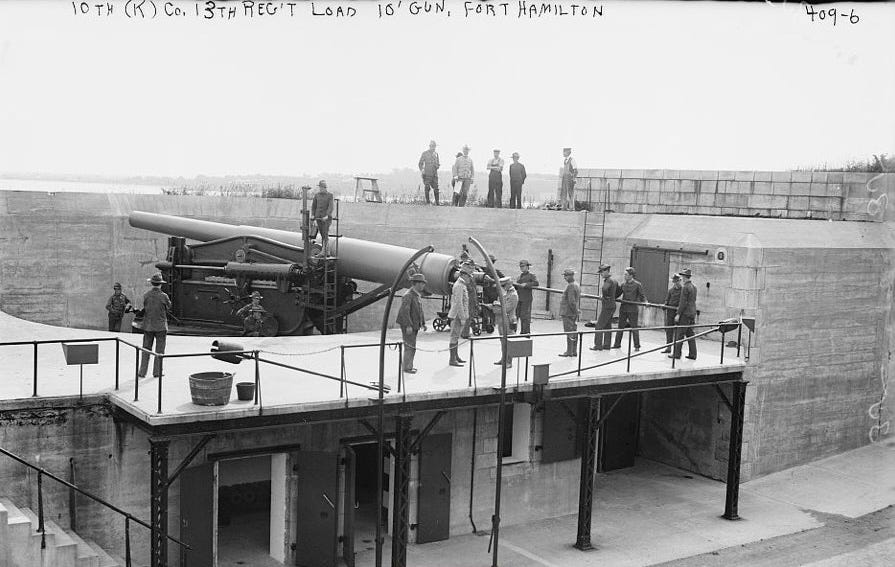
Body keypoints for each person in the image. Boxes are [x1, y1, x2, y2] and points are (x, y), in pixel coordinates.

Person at [138, 272, 171, 379]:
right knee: (159, 351)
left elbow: (145, 307)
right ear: (160, 284)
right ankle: (157, 372)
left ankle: (142, 372)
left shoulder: (146, 295)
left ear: (152, 283)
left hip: (148, 326)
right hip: (161, 326)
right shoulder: (164, 296)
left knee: (146, 349)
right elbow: (169, 307)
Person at [397, 273, 427, 373]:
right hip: (409, 325)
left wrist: (422, 323)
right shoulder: (408, 295)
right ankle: (407, 367)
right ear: (416, 284)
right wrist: (408, 325)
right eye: (422, 283)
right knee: (409, 346)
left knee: (412, 346)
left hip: (414, 325)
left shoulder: (416, 295)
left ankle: (409, 366)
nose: (423, 285)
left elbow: (419, 310)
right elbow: (404, 312)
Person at [613, 267, 645, 351]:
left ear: (631, 275)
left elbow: (642, 296)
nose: (625, 276)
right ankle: (617, 344)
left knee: (634, 328)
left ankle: (637, 346)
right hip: (623, 308)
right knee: (620, 327)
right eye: (624, 274)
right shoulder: (623, 284)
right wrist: (608, 297)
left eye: (626, 275)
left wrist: (646, 302)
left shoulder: (638, 285)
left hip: (633, 310)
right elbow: (617, 294)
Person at [448, 262, 474, 367]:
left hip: (459, 315)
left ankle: (456, 356)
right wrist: (463, 317)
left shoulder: (461, 284)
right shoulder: (459, 285)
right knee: (454, 337)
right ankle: (452, 359)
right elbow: (459, 303)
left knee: (456, 336)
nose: (469, 278)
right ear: (463, 275)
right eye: (468, 276)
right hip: (457, 315)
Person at [589, 264, 619, 351]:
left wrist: (604, 297)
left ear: (607, 271)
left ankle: (598, 345)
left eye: (602, 272)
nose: (601, 274)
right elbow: (619, 291)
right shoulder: (614, 281)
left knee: (599, 325)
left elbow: (605, 289)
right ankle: (606, 345)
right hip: (612, 305)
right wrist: (612, 297)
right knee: (607, 325)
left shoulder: (608, 281)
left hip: (607, 306)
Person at [671, 268, 698, 360]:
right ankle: (693, 354)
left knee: (679, 334)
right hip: (692, 313)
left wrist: (678, 314)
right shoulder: (694, 286)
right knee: (690, 334)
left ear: (684, 277)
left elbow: (683, 302)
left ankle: (676, 354)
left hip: (685, 314)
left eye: (682, 276)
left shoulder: (685, 287)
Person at [493, 277, 519, 367]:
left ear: (509, 284)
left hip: (509, 320)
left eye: (504, 286)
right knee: (502, 341)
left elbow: (507, 308)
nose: (503, 288)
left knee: (508, 342)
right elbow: (499, 303)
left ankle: (509, 361)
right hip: (502, 321)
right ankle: (503, 359)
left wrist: (495, 308)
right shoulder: (506, 294)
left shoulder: (513, 295)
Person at [558, 268, 580, 357]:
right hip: (572, 312)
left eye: (566, 276)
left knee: (569, 332)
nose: (565, 278)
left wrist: (575, 311)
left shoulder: (571, 286)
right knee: (573, 331)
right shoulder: (576, 285)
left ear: (570, 276)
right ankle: (573, 351)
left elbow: (571, 301)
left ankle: (569, 351)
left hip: (568, 312)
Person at [514, 259, 539, 335]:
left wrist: (526, 284)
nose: (522, 268)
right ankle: (515, 332)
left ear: (528, 267)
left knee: (525, 316)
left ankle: (525, 333)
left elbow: (536, 283)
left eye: (523, 266)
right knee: (516, 315)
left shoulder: (532, 275)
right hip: (519, 298)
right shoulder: (520, 276)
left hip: (526, 299)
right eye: (521, 266)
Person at [311, 180, 335, 256]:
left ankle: (324, 251)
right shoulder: (317, 195)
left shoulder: (330, 195)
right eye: (319, 187)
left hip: (326, 219)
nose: (320, 189)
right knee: (322, 234)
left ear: (325, 188)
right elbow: (314, 206)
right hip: (318, 218)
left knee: (325, 233)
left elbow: (331, 206)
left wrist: (327, 215)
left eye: (321, 187)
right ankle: (326, 251)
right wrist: (313, 215)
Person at [480, 254, 503, 332]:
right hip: (485, 293)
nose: (487, 263)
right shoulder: (483, 270)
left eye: (488, 261)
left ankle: (492, 324)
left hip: (493, 293)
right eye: (486, 261)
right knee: (485, 308)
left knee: (493, 309)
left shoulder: (496, 272)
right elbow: (475, 267)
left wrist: (496, 283)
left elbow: (504, 279)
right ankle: (484, 325)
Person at [661, 274, 683, 353]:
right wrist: (665, 305)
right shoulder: (671, 290)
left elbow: (682, 302)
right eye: (674, 281)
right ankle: (668, 347)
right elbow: (667, 299)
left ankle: (676, 350)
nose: (676, 283)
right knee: (669, 330)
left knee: (677, 332)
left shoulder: (682, 290)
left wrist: (679, 312)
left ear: (679, 281)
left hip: (677, 312)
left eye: (677, 281)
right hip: (670, 312)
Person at [418, 140, 441, 205]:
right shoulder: (425, 153)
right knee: (427, 187)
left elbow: (438, 164)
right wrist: (422, 170)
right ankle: (428, 202)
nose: (433, 147)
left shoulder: (436, 154)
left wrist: (437, 165)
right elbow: (420, 163)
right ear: (429, 146)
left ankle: (437, 203)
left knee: (436, 189)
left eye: (434, 146)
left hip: (435, 174)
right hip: (427, 174)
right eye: (432, 146)